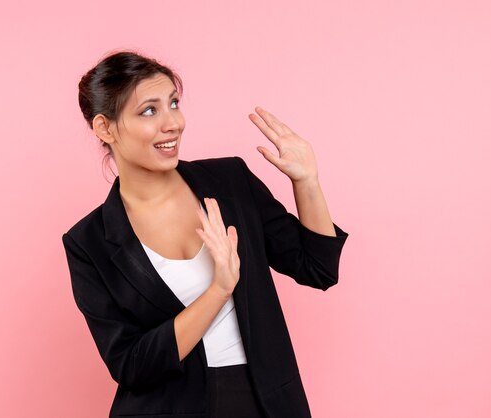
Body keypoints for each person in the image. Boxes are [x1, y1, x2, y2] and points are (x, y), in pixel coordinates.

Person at [62, 51, 348, 418]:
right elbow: (131, 365)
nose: (173, 123)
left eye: (174, 104)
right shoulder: (89, 242)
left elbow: (318, 268)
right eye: (149, 111)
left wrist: (306, 180)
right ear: (105, 128)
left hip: (266, 402)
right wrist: (218, 290)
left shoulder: (230, 182)